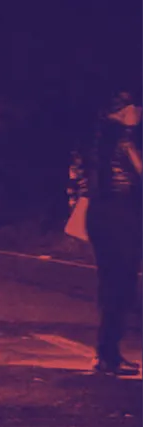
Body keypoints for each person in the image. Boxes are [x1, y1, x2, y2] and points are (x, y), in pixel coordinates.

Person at [83, 90, 142, 376]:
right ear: (124, 111)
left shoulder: (98, 136)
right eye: (136, 108)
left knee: (111, 281)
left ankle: (106, 353)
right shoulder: (122, 139)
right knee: (122, 283)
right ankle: (109, 354)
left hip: (100, 213)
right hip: (120, 214)